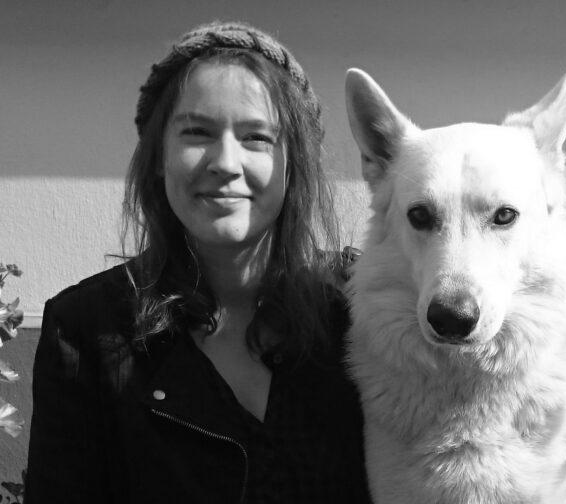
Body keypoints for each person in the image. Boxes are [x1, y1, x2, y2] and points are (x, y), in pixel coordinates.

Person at [25, 21, 371, 503]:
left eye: (256, 138)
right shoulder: (86, 329)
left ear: (293, 164)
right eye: (197, 132)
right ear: (159, 157)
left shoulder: (362, 304)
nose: (226, 162)